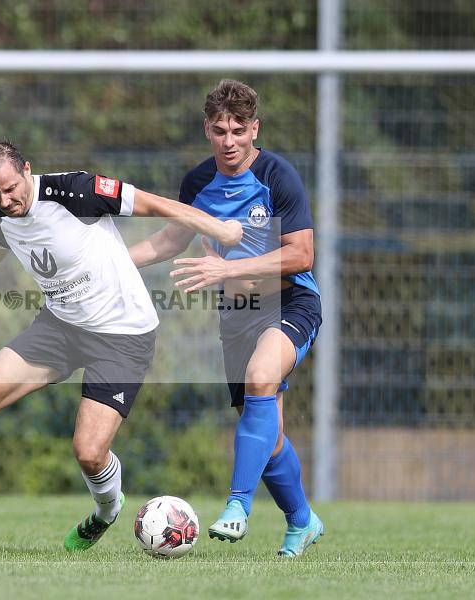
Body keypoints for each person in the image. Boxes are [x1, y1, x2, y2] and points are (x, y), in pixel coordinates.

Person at [0, 141, 242, 550]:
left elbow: (157, 205)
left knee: (88, 452)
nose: (6, 200)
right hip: (59, 329)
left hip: (123, 337)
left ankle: (106, 510)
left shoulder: (76, 192)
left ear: (27, 169)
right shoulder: (6, 217)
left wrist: (219, 227)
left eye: (11, 188)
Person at [129, 79, 324, 557]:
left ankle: (237, 506)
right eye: (220, 130)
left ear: (255, 128)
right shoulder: (197, 182)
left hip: (289, 303)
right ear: (207, 130)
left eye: (240, 129)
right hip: (238, 314)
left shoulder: (278, 177)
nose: (230, 140)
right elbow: (169, 242)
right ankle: (302, 521)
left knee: (261, 377)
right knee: (268, 435)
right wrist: (108, 264)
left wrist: (227, 267)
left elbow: (301, 255)